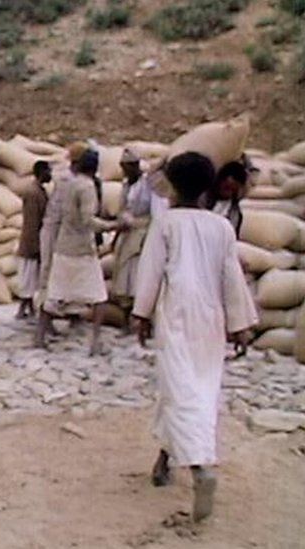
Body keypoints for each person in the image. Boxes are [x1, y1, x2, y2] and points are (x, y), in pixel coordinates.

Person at [132, 152, 257, 522]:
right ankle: (164, 461)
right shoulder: (221, 227)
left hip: (176, 319)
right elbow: (232, 278)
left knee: (180, 391)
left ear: (171, 184)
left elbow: (151, 272)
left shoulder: (166, 223)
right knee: (196, 389)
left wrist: (141, 314)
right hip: (211, 321)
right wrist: (241, 324)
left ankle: (201, 469)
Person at [36, 142, 117, 355]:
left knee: (53, 293)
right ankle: (95, 342)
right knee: (98, 297)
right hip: (81, 249)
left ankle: (39, 336)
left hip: (63, 245)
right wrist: (114, 225)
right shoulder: (87, 187)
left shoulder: (67, 183)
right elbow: (88, 220)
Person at [110, 149, 148, 327]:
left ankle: (141, 318)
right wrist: (115, 237)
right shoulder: (126, 185)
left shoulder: (147, 184)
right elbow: (122, 210)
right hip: (127, 233)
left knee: (138, 275)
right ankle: (126, 317)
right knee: (123, 276)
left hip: (143, 233)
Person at [15, 160, 51, 319]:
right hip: (31, 243)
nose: (50, 174)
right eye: (48, 171)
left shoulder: (39, 191)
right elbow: (31, 222)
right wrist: (35, 246)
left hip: (36, 241)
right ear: (41, 172)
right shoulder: (32, 193)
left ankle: (28, 308)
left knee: (31, 279)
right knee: (28, 279)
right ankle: (22, 309)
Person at [201, 160, 249, 235]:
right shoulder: (203, 200)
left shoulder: (234, 212)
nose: (229, 193)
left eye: (233, 190)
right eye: (226, 188)